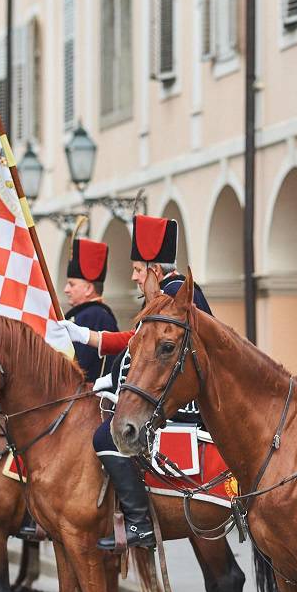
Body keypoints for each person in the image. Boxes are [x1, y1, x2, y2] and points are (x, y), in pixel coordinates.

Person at [58, 214, 212, 550]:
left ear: (155, 270)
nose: (133, 276)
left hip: (181, 401)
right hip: (166, 394)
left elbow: (156, 349)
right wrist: (88, 337)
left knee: (105, 436)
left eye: (138, 270)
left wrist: (90, 339)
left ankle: (139, 522)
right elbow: (135, 340)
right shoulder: (167, 295)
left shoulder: (175, 295)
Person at [62, 238, 118, 382]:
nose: (66, 290)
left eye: (71, 284)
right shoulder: (88, 314)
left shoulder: (95, 315)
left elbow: (79, 368)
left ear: (88, 288)